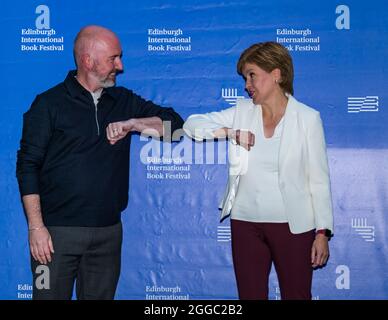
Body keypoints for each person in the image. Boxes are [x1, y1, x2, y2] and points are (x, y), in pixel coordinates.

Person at [16, 25, 183, 300]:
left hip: (107, 234)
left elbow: (175, 126)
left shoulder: (124, 100)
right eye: (113, 59)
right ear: (88, 61)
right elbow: (27, 166)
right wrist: (36, 228)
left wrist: (134, 124)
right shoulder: (48, 104)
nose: (121, 66)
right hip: (55, 237)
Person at [183, 42, 333, 300]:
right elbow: (191, 125)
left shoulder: (308, 118)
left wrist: (322, 233)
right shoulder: (241, 112)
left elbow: (318, 180)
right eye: (245, 77)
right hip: (245, 224)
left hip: (294, 226)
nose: (246, 84)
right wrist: (230, 132)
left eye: (252, 75)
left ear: (276, 75)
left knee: (297, 295)